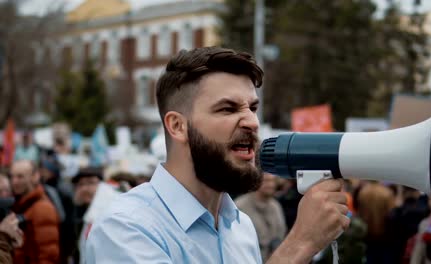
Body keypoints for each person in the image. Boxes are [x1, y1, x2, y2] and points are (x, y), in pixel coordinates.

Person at [85, 47, 349, 263]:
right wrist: (299, 245)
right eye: (227, 109)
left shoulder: (240, 228)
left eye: (253, 108)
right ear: (178, 126)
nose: (251, 121)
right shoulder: (125, 228)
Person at [10, 160, 60, 264]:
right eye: (12, 177)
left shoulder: (42, 208)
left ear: (35, 176)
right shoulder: (21, 205)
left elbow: (48, 255)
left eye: (20, 176)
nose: (14, 181)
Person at [235, 172, 287, 262]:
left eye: (273, 181)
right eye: (266, 181)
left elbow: (280, 234)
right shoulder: (240, 206)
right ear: (256, 182)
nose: (270, 185)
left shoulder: (275, 206)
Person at [0, 173, 23, 264]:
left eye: (6, 190)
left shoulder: (17, 210)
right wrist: (4, 236)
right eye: (0, 191)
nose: (3, 194)